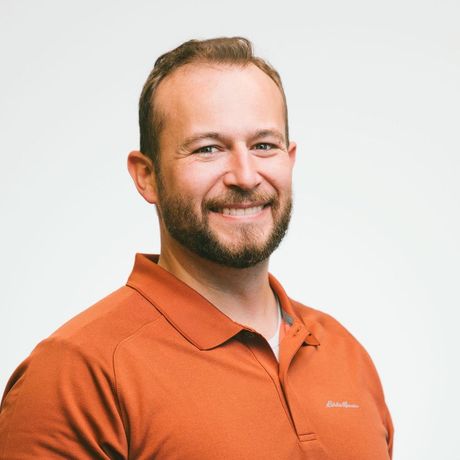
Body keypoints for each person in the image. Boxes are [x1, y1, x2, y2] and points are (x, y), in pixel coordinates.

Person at [0, 37, 393, 459]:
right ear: (146, 176)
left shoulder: (344, 353)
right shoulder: (76, 373)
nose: (245, 176)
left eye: (264, 145)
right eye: (208, 149)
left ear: (290, 159)